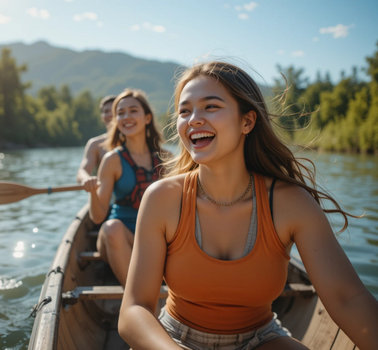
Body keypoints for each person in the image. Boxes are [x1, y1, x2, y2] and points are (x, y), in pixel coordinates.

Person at [119, 61, 378, 349]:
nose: (193, 119)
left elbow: (347, 298)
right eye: (184, 110)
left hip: (261, 341)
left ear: (247, 122)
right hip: (173, 339)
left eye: (211, 106)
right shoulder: (162, 198)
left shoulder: (290, 203)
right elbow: (133, 311)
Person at [84, 88, 167, 287]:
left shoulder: (165, 159)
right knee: (112, 228)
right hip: (117, 237)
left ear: (147, 118)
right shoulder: (113, 159)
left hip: (152, 238)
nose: (126, 117)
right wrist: (93, 192)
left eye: (132, 111)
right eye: (120, 113)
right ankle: (139, 303)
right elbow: (97, 217)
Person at [76, 95, 116, 184]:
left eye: (113, 110)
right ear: (102, 117)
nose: (110, 114)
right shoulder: (95, 144)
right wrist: (86, 179)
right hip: (103, 195)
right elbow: (82, 171)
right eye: (106, 111)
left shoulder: (135, 141)